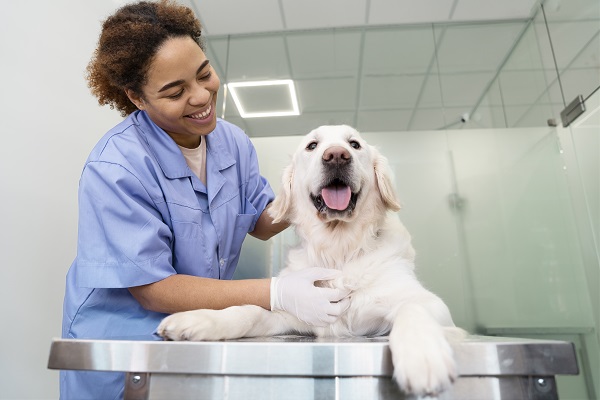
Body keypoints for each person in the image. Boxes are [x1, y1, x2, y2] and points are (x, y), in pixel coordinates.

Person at [61, 1, 350, 398]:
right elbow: (153, 288)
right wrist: (276, 292)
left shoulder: (232, 142)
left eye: (204, 74)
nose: (200, 97)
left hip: (197, 333)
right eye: (176, 91)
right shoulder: (117, 167)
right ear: (137, 97)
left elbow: (264, 223)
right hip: (124, 345)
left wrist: (315, 185)